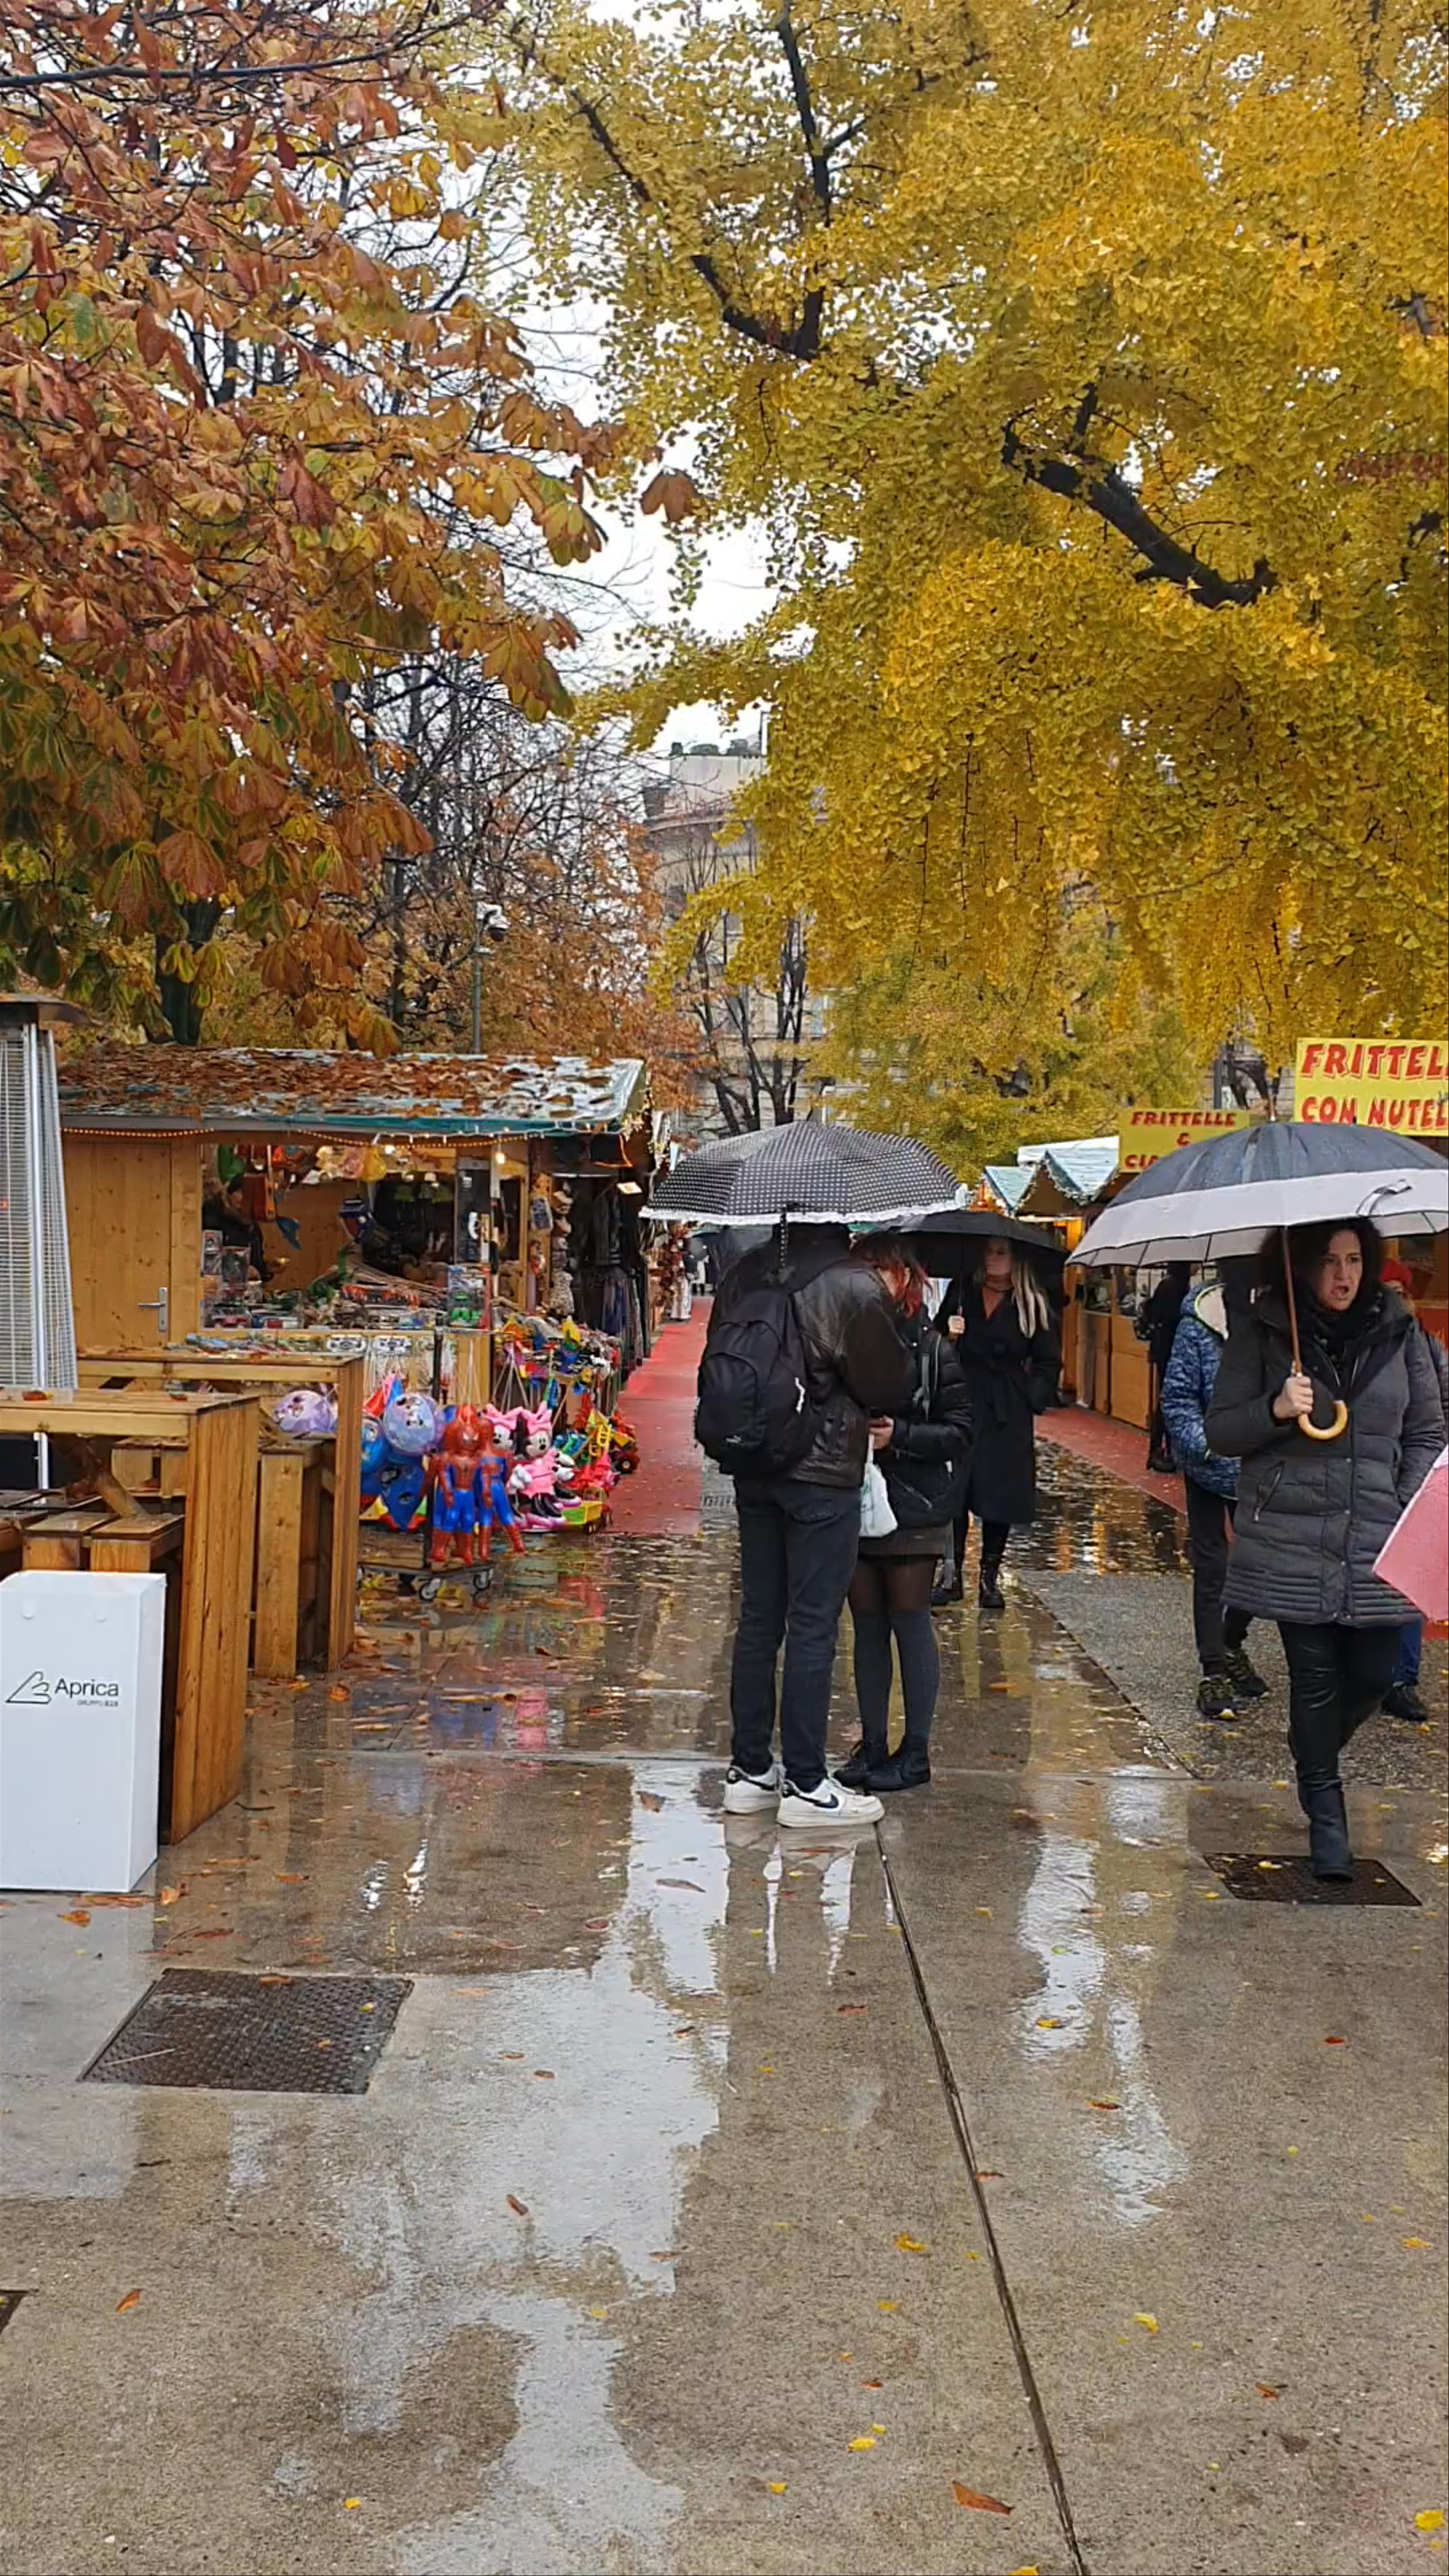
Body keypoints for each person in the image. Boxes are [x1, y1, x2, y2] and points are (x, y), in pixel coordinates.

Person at [1206, 1218, 1443, 1879]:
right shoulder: (1264, 1331)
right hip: (1290, 1534)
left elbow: (1426, 1426)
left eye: (1354, 1260)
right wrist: (1277, 1408)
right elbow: (1221, 1430)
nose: (1344, 1276)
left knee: (1373, 1673)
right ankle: (1328, 1814)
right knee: (1313, 1677)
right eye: (1329, 1262)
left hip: (1376, 1534)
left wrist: (1403, 1496)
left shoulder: (1401, 1334)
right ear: (1300, 1265)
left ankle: (1312, 1752)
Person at [706, 1224, 912, 1828]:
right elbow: (887, 1384)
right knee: (814, 1624)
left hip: (755, 1464)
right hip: (822, 1472)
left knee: (759, 1618)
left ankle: (749, 1770)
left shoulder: (744, 1271)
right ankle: (805, 1782)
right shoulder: (852, 1282)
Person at [836, 1240, 974, 1794]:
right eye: (862, 1269)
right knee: (866, 1623)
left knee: (909, 1618)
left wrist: (902, 1435)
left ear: (905, 1277)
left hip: (917, 1502)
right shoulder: (843, 1336)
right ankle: (872, 1743)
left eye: (881, 1269)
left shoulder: (936, 1349)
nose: (871, 1279)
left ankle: (915, 1751)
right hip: (858, 1495)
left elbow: (961, 1431)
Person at [1159, 1267, 1267, 1719]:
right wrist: (1203, 1442)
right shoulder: (1199, 1323)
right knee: (1213, 1562)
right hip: (1208, 1460)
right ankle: (1214, 1668)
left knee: (1261, 1564)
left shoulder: (1283, 1321)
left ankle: (1232, 1639)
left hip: (1261, 1463)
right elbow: (1178, 1396)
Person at [933, 1236, 1060, 1607]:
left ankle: (990, 1577)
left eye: (1001, 1251)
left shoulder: (1030, 1302)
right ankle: (952, 1574)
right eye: (987, 1250)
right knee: (957, 1488)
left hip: (1007, 1406)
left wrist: (1031, 1397)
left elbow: (1048, 1361)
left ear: (1015, 1257)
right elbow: (936, 1343)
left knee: (999, 1492)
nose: (992, 1258)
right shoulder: (962, 1292)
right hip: (964, 1398)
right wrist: (949, 1336)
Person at [1380, 1251, 1449, 1723]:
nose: (1397, 1303)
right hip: (1370, 1479)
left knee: (1407, 1581)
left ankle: (1403, 1679)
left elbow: (1440, 1408)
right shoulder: (1362, 1351)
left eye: (1402, 1294)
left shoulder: (1427, 1346)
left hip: (1414, 1480)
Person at [1138, 1262, 1192, 1472]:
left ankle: (1163, 1449)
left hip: (1164, 1350)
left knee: (1167, 1399)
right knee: (1169, 1400)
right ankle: (1160, 1450)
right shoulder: (1176, 1288)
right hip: (1171, 1351)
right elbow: (1174, 1320)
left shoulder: (1167, 1285)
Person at [201, 1175, 270, 1283]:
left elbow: (255, 1265)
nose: (247, 1199)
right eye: (243, 1193)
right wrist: (241, 1270)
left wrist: (267, 1270)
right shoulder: (212, 1216)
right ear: (231, 1193)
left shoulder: (252, 1225)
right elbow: (209, 1263)